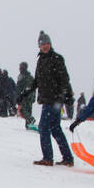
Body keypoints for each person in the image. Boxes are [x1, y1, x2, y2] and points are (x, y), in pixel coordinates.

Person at [19, 31, 74, 166]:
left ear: (50, 44)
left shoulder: (57, 58)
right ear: (39, 46)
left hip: (55, 99)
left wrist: (65, 94)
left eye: (47, 44)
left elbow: (64, 78)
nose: (45, 46)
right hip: (47, 99)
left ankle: (48, 158)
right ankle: (67, 158)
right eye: (43, 44)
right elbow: (37, 81)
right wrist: (25, 93)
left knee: (44, 127)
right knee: (55, 128)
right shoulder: (41, 61)